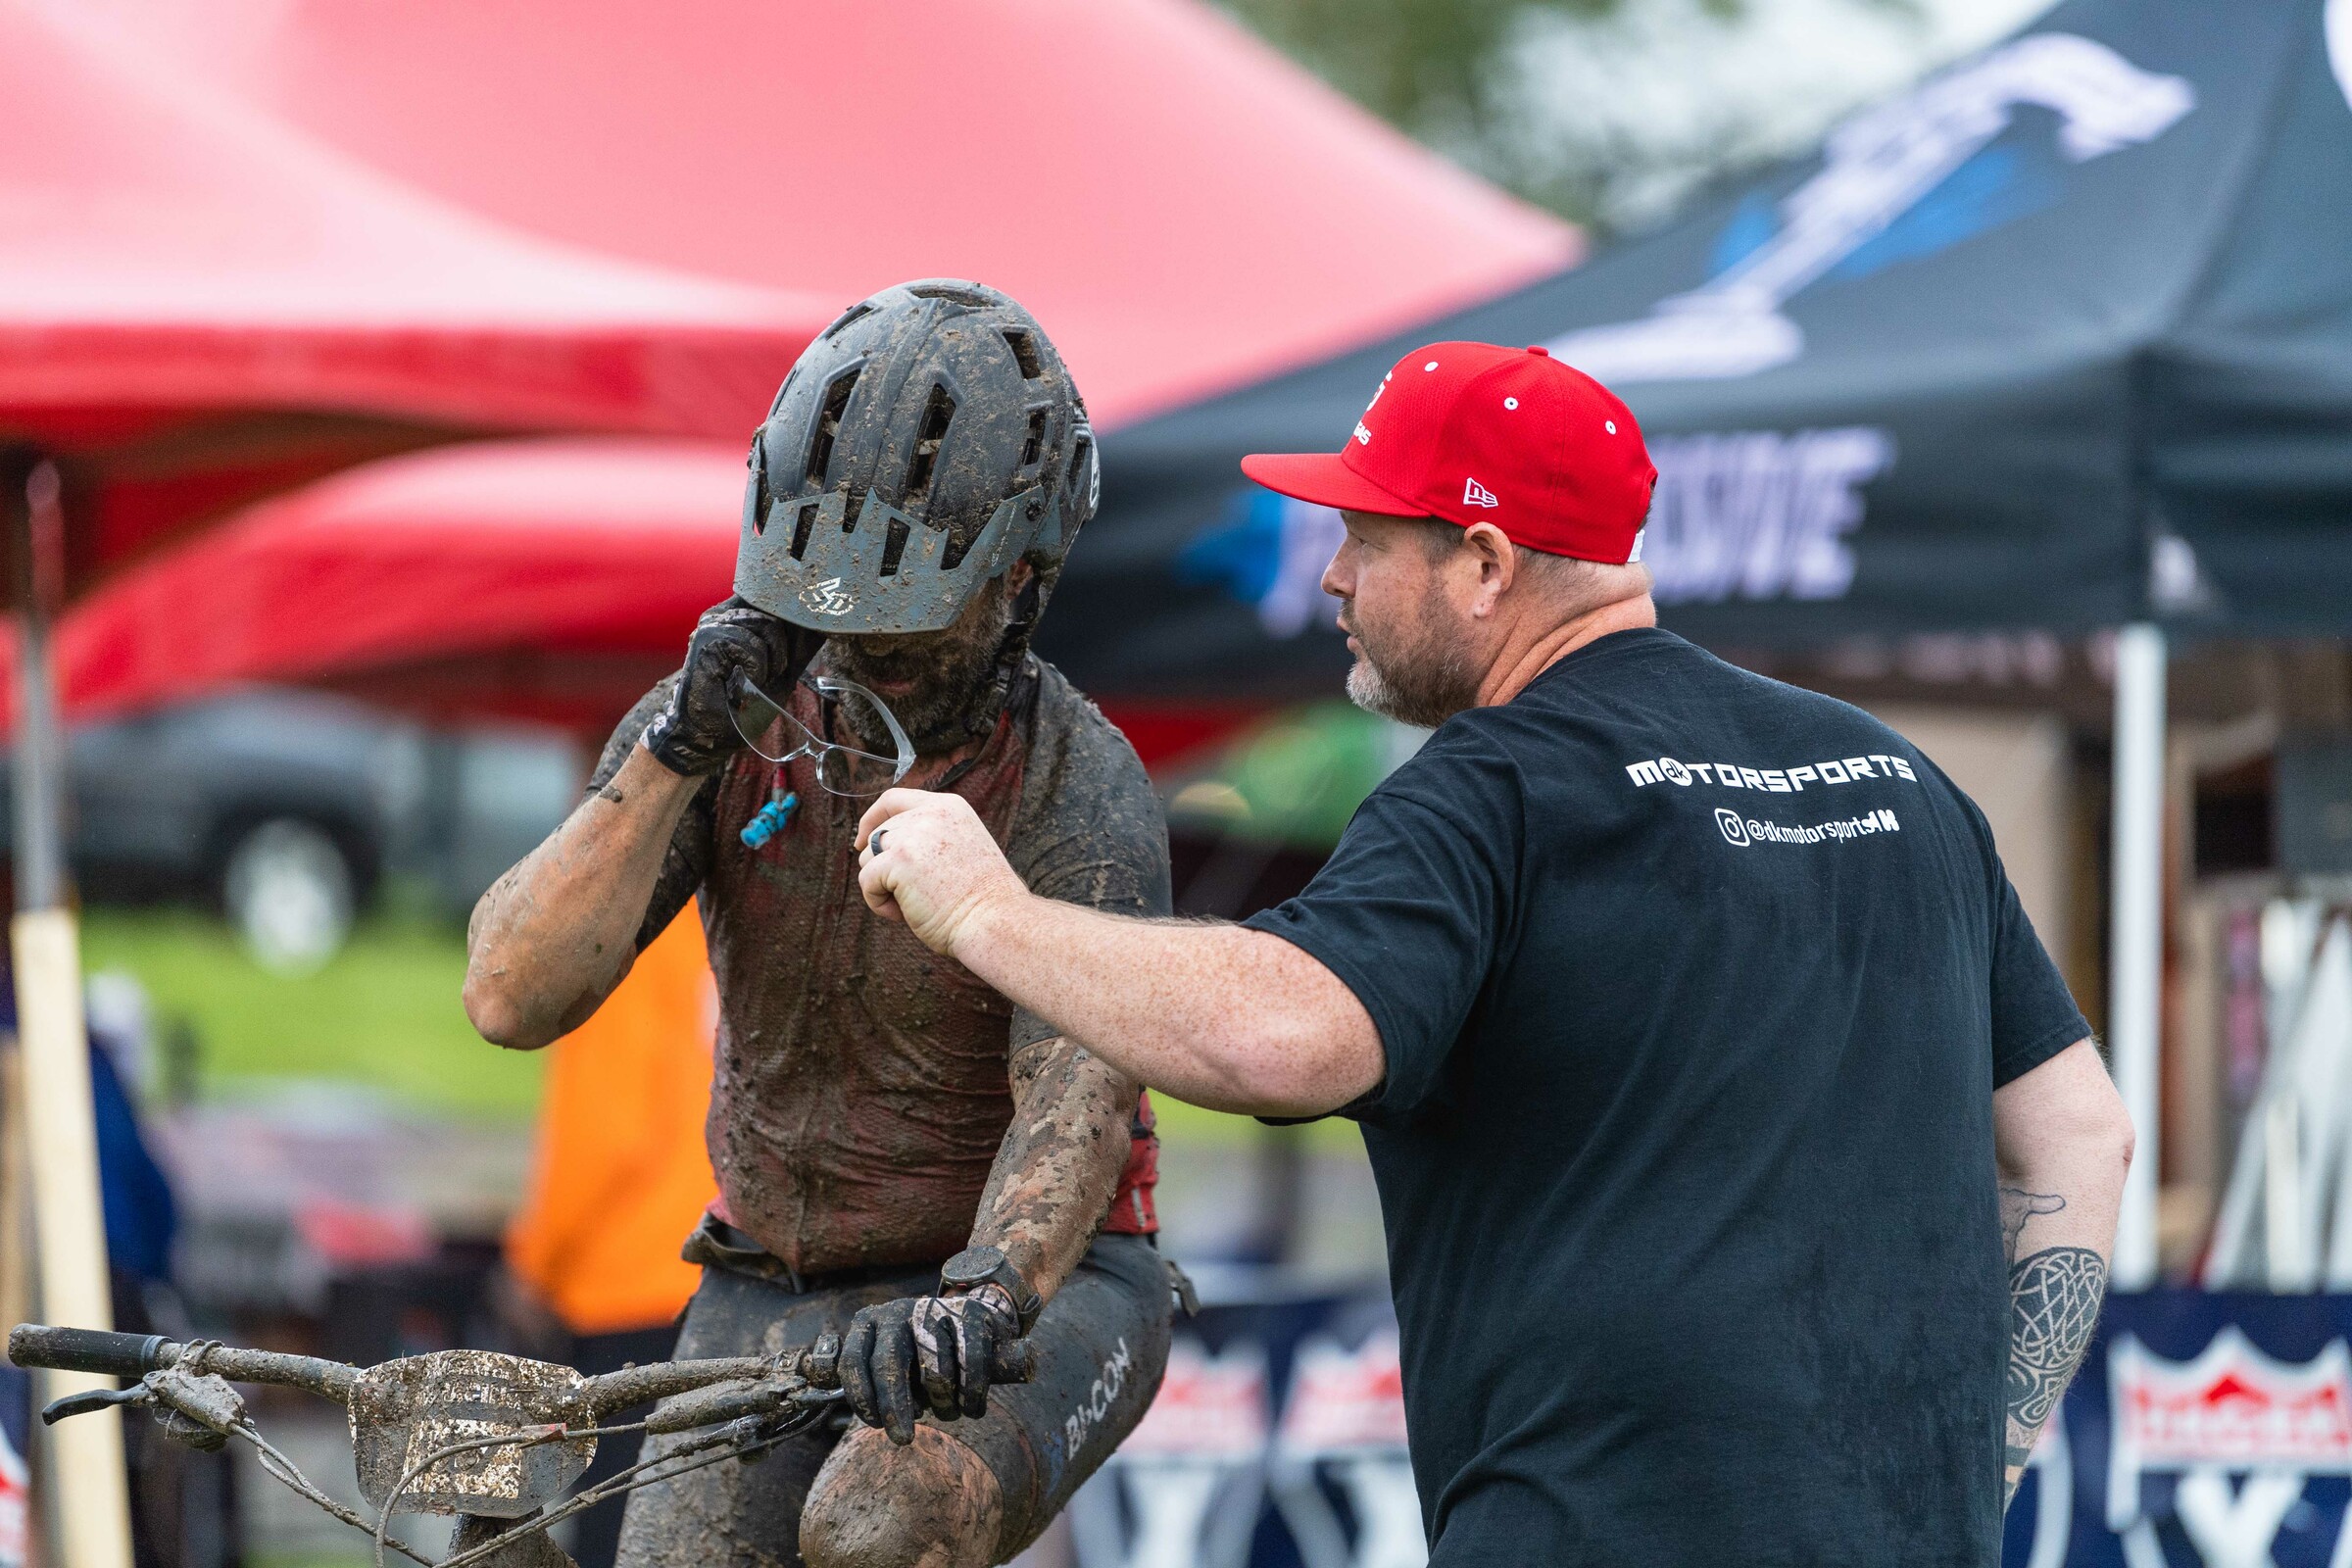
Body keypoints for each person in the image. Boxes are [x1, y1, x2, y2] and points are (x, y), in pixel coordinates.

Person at [852, 341, 2135, 1565]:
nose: (1334, 580)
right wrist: (2000, 1447)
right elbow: (2083, 1132)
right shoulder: (1897, 780)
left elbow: (1290, 1033)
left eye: (1365, 537)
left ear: (1481, 562)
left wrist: (988, 914)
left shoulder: (1495, 786)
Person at [464, 280, 1175, 1568]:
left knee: (877, 1522)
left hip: (1032, 1289)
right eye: (825, 590)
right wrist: (675, 748)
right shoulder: (731, 717)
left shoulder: (1081, 787)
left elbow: (1072, 1106)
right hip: (764, 1276)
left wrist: (987, 1293)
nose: (852, 644)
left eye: (898, 609)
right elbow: (509, 995)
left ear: (1019, 579)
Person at [501, 907, 718, 1568]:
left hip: (632, 1290)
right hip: (745, 1285)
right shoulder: (751, 914)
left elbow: (605, 1136)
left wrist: (533, 1268)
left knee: (624, 1542)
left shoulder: (623, 926)